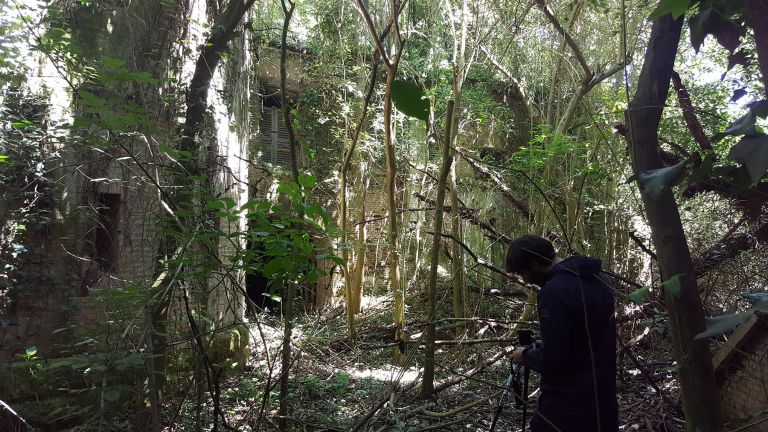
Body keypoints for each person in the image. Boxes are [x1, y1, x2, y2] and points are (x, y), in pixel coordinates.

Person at [506, 235, 618, 432]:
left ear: (534, 265)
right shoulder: (599, 279)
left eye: (523, 273)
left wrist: (524, 355)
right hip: (603, 396)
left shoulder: (554, 292)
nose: (524, 279)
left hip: (568, 401)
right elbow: (581, 337)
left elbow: (555, 359)